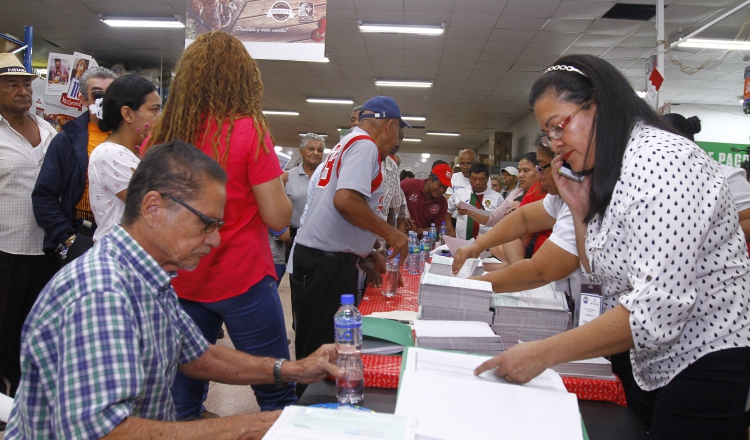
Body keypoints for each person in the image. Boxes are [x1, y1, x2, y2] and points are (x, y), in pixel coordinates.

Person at [474, 54, 750, 440]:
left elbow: (657, 308)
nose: (555, 146)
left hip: (704, 357)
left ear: (598, 105)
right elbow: (598, 272)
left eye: (559, 128)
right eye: (547, 136)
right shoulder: (614, 166)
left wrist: (543, 352)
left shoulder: (664, 160)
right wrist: (581, 208)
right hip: (653, 359)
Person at [5, 140, 341, 439]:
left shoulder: (150, 277)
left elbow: (198, 354)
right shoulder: (103, 294)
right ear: (153, 209)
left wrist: (291, 370)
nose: (214, 239)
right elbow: (102, 432)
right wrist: (251, 427)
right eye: (206, 223)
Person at [143, 31, 295, 418]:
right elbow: (279, 218)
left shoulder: (160, 135)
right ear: (243, 77)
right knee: (275, 392)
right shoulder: (248, 130)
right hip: (242, 278)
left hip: (180, 281)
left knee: (181, 402)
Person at [291, 95, 410, 395]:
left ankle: (309, 411)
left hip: (324, 259)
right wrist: (392, 234)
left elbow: (338, 212)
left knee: (317, 351)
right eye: (398, 132)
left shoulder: (348, 143)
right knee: (317, 357)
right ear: (389, 126)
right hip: (324, 264)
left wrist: (367, 251)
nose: (397, 140)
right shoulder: (365, 145)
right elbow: (346, 201)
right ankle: (305, 420)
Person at [452, 144, 582, 307]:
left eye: (540, 168)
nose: (539, 176)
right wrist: (478, 245)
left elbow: (540, 270)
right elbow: (523, 219)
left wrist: (476, 283)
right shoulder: (559, 197)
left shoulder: (579, 203)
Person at [0, 53, 59, 400]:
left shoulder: (49, 131)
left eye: (26, 84)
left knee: (31, 327)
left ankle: (24, 393)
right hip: (5, 249)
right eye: (12, 85)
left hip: (46, 250)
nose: (23, 91)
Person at [32, 67, 117, 267]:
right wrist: (69, 238)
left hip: (124, 235)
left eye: (112, 94)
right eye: (98, 94)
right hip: (84, 234)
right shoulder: (67, 141)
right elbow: (44, 196)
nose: (105, 100)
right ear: (83, 100)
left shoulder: (135, 135)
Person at [88, 74, 161, 242]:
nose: (160, 117)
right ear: (128, 114)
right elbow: (156, 204)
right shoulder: (108, 154)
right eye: (154, 110)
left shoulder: (137, 152)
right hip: (121, 257)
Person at [662, 113, 750, 244]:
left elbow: (748, 220)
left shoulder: (727, 176)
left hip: (718, 260)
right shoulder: (656, 176)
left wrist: (710, 240)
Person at [285, 133, 325, 259]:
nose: (316, 153)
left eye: (320, 150)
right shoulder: (287, 177)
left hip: (323, 238)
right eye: (311, 149)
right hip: (295, 236)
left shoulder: (329, 176)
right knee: (297, 277)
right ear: (301, 151)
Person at [447, 163, 502, 240]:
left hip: (487, 245)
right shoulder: (459, 194)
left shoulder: (497, 197)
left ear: (487, 178)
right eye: (473, 179)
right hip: (462, 243)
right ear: (469, 178)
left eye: (481, 179)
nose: (477, 182)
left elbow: (502, 221)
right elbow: (447, 212)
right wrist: (451, 230)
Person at [400, 164, 455, 235]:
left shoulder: (442, 202)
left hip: (424, 243)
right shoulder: (408, 185)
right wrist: (401, 217)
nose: (442, 190)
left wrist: (418, 231)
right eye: (440, 185)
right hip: (398, 238)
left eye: (445, 188)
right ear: (430, 179)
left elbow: (439, 227)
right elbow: (391, 204)